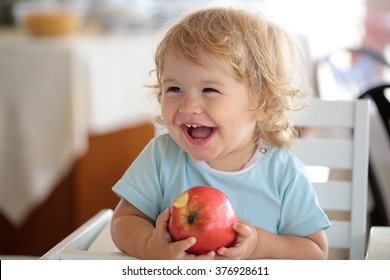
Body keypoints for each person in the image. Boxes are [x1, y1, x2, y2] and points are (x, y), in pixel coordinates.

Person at [110, 7, 330, 260]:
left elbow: (315, 252)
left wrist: (259, 245)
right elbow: (124, 221)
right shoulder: (161, 157)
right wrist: (150, 246)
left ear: (262, 103)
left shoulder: (284, 172)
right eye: (174, 89)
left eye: (209, 90)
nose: (188, 106)